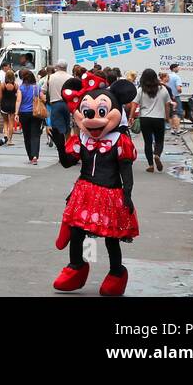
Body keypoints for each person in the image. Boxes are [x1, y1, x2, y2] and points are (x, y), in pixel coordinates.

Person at [52, 75, 138, 296]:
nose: (92, 120)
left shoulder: (120, 141)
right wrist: (61, 147)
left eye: (101, 112)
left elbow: (125, 170)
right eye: (87, 113)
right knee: (77, 232)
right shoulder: (83, 139)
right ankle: (76, 267)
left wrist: (127, 194)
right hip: (84, 191)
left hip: (110, 193)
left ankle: (116, 273)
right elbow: (67, 163)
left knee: (111, 238)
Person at [132, 69, 171, 173]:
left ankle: (150, 165)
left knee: (147, 142)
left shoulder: (141, 90)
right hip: (159, 119)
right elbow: (168, 104)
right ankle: (157, 154)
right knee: (159, 140)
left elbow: (134, 103)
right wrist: (167, 117)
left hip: (145, 119)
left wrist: (131, 117)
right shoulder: (163, 89)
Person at [16, 69, 44, 164]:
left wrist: (16, 113)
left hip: (24, 113)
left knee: (27, 135)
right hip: (36, 113)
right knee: (35, 135)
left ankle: (30, 156)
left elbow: (18, 101)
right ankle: (35, 155)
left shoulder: (21, 88)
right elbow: (42, 98)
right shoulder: (37, 87)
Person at [45, 62, 73, 145]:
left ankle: (60, 145)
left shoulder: (51, 77)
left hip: (55, 103)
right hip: (67, 104)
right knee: (67, 126)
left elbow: (43, 90)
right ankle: (67, 144)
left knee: (57, 127)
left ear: (57, 67)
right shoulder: (70, 77)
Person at [0, 70, 19, 146]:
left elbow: (0, 97)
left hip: (4, 104)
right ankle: (10, 140)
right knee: (11, 122)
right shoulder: (16, 85)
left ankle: (5, 136)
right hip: (12, 105)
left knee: (5, 121)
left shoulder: (2, 85)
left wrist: (0, 104)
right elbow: (17, 97)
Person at [161, 67, 182, 134]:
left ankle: (172, 129)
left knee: (170, 116)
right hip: (169, 103)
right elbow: (167, 96)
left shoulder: (161, 85)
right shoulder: (165, 86)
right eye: (167, 77)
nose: (169, 79)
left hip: (166, 103)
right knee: (175, 115)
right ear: (164, 78)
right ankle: (178, 129)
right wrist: (172, 102)